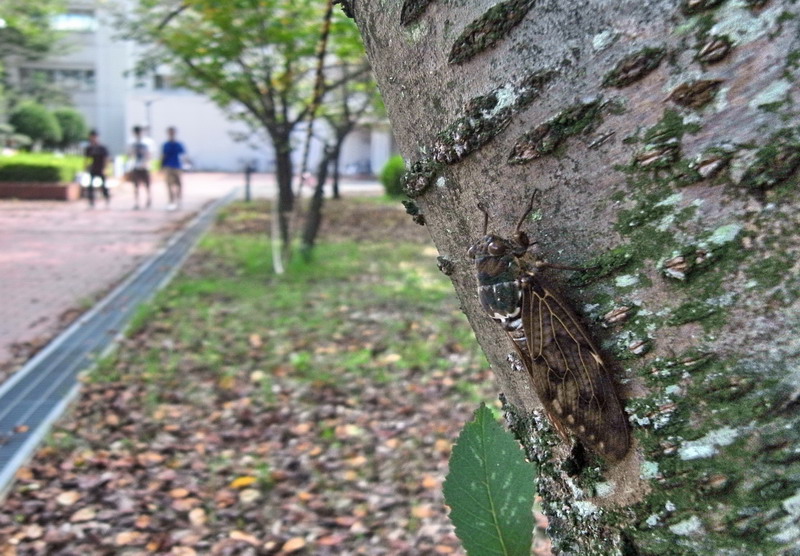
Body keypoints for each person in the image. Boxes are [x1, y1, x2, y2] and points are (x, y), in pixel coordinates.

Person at [161, 126, 187, 211]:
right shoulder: (165, 145)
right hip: (168, 166)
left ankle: (178, 199)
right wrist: (161, 165)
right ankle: (171, 201)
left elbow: (183, 155)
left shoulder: (179, 144)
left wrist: (187, 164)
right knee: (169, 184)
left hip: (177, 166)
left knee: (179, 184)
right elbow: (163, 155)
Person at [83, 130, 110, 208]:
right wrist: (85, 167)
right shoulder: (89, 148)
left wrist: (105, 168)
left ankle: (106, 198)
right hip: (93, 168)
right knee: (90, 185)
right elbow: (87, 159)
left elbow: (106, 159)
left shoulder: (102, 148)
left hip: (101, 168)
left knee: (103, 185)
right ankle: (91, 201)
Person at [127, 125, 152, 209]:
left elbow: (150, 154)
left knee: (147, 184)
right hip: (136, 166)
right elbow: (129, 154)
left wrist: (147, 162)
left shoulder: (147, 142)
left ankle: (149, 199)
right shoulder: (132, 143)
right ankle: (137, 202)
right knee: (135, 185)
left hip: (145, 166)